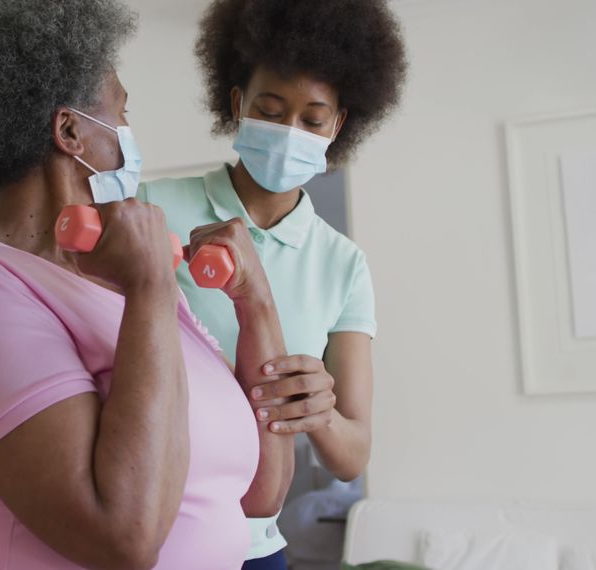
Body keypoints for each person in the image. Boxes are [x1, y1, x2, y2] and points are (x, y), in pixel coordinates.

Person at [0, 0, 309, 567]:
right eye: (122, 114)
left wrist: (256, 303)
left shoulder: (126, 276)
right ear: (70, 131)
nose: (128, 134)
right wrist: (150, 290)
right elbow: (123, 536)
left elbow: (260, 493)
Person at [138, 0, 409, 567]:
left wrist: (321, 411)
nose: (290, 131)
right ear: (238, 103)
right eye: (271, 108)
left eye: (312, 120)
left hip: (260, 549)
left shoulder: (343, 264)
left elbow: (352, 455)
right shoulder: (152, 208)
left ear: (337, 127)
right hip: (154, 537)